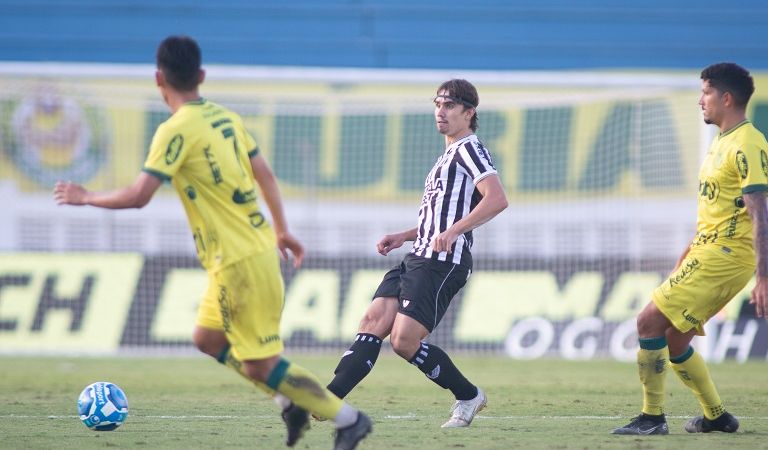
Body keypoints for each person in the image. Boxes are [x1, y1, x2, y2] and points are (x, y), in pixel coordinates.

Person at [53, 35, 371, 450]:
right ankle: (288, 402)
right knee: (208, 339)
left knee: (261, 364)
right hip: (247, 250)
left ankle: (349, 420)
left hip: (239, 260)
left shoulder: (174, 130)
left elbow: (139, 195)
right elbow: (265, 174)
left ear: (158, 79)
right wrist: (282, 228)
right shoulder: (226, 118)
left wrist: (86, 197)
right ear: (201, 75)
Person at [289, 79, 507, 428]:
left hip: (443, 262)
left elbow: (497, 199)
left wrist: (454, 232)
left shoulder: (469, 149)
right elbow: (438, 219)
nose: (441, 111)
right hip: (418, 255)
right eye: (437, 104)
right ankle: (328, 399)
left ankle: (468, 395)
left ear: (469, 113)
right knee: (372, 321)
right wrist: (404, 236)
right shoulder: (446, 156)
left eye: (450, 105)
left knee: (404, 341)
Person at [612, 62, 768, 436]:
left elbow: (760, 215)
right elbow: (719, 208)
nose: (700, 100)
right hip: (708, 250)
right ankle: (716, 416)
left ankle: (652, 418)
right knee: (674, 339)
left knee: (647, 322)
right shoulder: (722, 140)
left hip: (725, 256)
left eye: (705, 92)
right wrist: (688, 251)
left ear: (726, 98)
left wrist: (764, 278)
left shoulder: (748, 144)